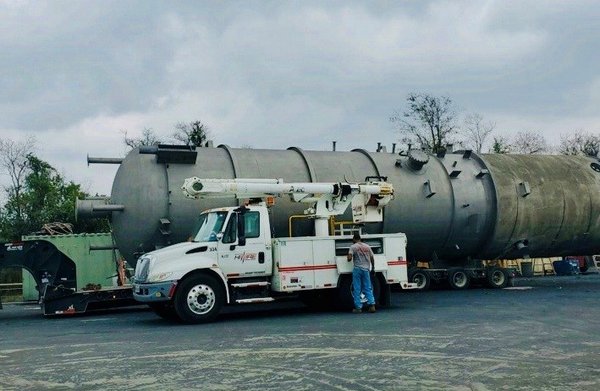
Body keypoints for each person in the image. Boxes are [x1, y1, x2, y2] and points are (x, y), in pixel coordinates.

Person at [347, 233, 376, 313]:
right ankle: (372, 305)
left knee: (357, 288)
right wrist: (373, 268)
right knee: (367, 287)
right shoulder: (367, 246)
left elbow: (349, 258)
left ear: (354, 239)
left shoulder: (353, 247)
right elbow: (372, 258)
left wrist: (348, 257)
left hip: (357, 269)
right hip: (366, 269)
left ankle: (358, 307)